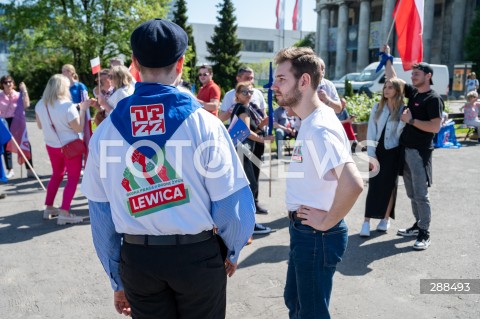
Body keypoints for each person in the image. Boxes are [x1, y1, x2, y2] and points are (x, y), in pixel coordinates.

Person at [81, 19, 255, 318]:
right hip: (197, 257)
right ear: (181, 62)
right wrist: (232, 249)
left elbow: (100, 215)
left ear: (134, 64)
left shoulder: (106, 131)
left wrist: (116, 277)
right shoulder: (205, 125)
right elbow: (231, 202)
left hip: (138, 260)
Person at [272, 47, 363, 319]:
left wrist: (326, 222)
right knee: (296, 302)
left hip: (317, 235)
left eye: (281, 79)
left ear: (304, 81)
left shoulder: (320, 127)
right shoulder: (310, 121)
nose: (274, 86)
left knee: (310, 313)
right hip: (306, 231)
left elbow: (353, 183)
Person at [383, 45, 443, 251]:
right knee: (411, 193)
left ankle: (425, 232)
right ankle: (418, 225)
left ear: (428, 76)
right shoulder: (415, 93)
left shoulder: (433, 98)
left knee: (421, 194)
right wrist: (388, 57)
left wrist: (411, 120)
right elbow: (393, 78)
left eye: (417, 74)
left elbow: (435, 127)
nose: (413, 76)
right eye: (413, 74)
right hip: (406, 151)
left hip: (419, 152)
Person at [35, 74, 93, 225]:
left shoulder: (40, 104)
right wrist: (83, 109)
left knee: (56, 175)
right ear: (62, 88)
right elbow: (79, 128)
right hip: (70, 147)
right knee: (73, 179)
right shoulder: (67, 106)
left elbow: (40, 126)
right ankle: (64, 212)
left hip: (51, 145)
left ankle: (49, 207)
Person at [360, 78, 406, 237]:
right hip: (377, 151)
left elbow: (400, 134)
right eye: (385, 87)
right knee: (374, 186)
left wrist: (403, 121)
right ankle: (366, 221)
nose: (386, 90)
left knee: (390, 186)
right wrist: (371, 155)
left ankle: (385, 219)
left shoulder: (402, 110)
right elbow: (371, 132)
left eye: (390, 87)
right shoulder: (377, 107)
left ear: (398, 90)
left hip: (393, 152)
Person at [220, 66, 270, 214]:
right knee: (247, 180)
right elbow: (242, 129)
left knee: (254, 174)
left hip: (255, 140)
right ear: (238, 80)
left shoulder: (257, 95)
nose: (249, 92)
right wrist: (262, 139)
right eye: (247, 79)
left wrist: (264, 126)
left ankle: (254, 204)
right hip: (245, 144)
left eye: (252, 78)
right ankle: (247, 214)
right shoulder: (233, 98)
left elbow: (261, 116)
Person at [231, 81, 274, 234]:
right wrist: (264, 139)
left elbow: (248, 130)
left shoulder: (241, 108)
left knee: (247, 186)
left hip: (242, 150)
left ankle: (245, 223)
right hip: (243, 150)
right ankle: (249, 225)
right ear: (237, 95)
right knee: (250, 187)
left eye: (250, 92)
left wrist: (261, 127)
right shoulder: (243, 108)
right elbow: (246, 132)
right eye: (244, 92)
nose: (248, 94)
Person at [0, 75, 34, 178]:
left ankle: (29, 170)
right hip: (5, 121)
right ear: (2, 85)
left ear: (13, 83)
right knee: (6, 145)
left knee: (25, 144)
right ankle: (10, 169)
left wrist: (25, 91)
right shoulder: (0, 95)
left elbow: (26, 105)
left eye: (10, 82)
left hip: (17, 121)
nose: (8, 84)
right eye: (6, 82)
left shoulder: (18, 95)